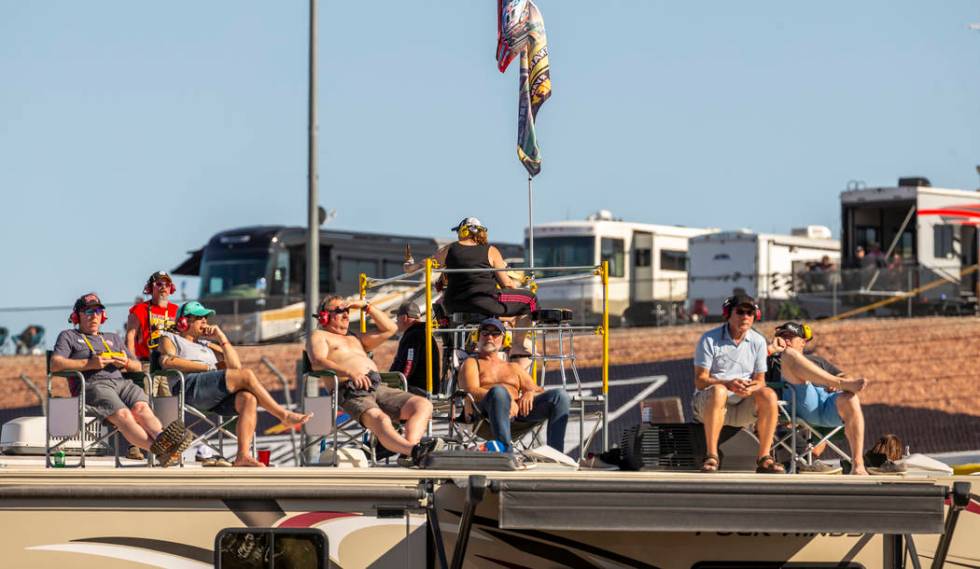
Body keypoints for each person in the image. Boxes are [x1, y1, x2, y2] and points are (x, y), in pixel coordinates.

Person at [158, 301, 312, 467]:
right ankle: (283, 415)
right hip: (188, 388)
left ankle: (243, 455)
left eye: (206, 318)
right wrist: (207, 367)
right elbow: (167, 361)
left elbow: (235, 366)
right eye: (199, 318)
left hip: (211, 394)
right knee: (246, 375)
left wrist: (221, 337)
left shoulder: (207, 345)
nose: (205, 321)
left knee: (248, 399)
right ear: (183, 321)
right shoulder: (170, 338)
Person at [49, 293, 192, 465]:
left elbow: (138, 366)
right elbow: (55, 364)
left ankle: (165, 441)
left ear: (103, 316)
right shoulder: (68, 336)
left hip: (122, 383)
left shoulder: (112, 337)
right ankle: (162, 451)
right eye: (87, 311)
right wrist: (89, 363)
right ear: (76, 316)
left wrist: (126, 362)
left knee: (141, 408)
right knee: (124, 415)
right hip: (93, 386)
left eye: (97, 311)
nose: (93, 315)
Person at [306, 295, 443, 465]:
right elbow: (317, 362)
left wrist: (366, 307)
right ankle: (413, 450)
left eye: (348, 310)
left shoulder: (356, 338)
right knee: (381, 420)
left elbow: (390, 328)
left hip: (377, 385)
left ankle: (409, 452)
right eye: (340, 311)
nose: (347, 315)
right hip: (351, 389)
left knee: (423, 405)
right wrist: (350, 373)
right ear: (325, 316)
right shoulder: (319, 335)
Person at [404, 217, 537, 363]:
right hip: (484, 301)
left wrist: (409, 267)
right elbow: (507, 285)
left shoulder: (449, 249)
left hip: (453, 305)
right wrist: (514, 285)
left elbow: (425, 263)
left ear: (462, 232)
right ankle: (518, 346)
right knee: (530, 299)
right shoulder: (491, 251)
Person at [692, 294, 784, 473]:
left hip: (742, 404)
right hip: (710, 404)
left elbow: (760, 381)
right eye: (740, 312)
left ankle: (764, 458)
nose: (745, 317)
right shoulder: (709, 339)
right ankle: (711, 456)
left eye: (750, 313)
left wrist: (749, 388)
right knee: (719, 391)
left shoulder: (757, 341)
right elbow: (700, 381)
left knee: (769, 395)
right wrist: (728, 384)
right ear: (728, 314)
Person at [766, 321, 868, 475]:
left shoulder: (817, 360)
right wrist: (770, 349)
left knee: (851, 399)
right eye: (782, 336)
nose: (785, 340)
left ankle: (858, 464)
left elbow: (845, 375)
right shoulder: (771, 359)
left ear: (802, 342)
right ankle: (837, 383)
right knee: (788, 355)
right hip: (796, 404)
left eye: (790, 337)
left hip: (825, 403)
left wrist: (842, 381)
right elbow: (750, 370)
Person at [458, 318, 570, 453]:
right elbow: (471, 390)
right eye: (485, 333)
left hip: (517, 415)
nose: (490, 337)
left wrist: (529, 393)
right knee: (499, 392)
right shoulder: (471, 362)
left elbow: (537, 389)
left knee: (560, 396)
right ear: (478, 337)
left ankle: (556, 454)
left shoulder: (513, 367)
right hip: (485, 416)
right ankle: (506, 452)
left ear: (503, 339)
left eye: (495, 334)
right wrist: (506, 399)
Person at [124, 270, 179, 460]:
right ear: (151, 288)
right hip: (146, 363)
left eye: (166, 284)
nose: (163, 287)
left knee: (168, 404)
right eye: (158, 284)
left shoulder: (176, 311)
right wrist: (132, 360)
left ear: (171, 288)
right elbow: (130, 335)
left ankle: (169, 445)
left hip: (167, 365)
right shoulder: (139, 309)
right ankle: (135, 445)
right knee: (143, 402)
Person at [389, 301, 440, 395]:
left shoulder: (413, 335)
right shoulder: (421, 332)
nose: (396, 321)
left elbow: (409, 364)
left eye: (397, 318)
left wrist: (396, 385)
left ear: (404, 317)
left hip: (417, 389)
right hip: (424, 389)